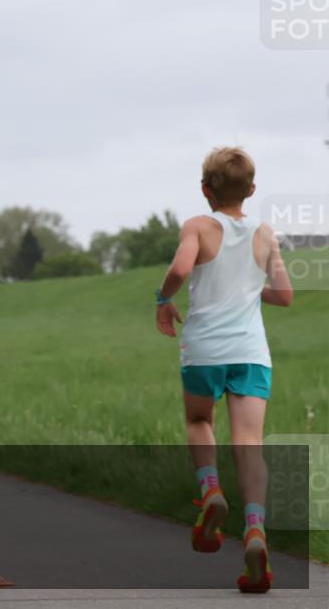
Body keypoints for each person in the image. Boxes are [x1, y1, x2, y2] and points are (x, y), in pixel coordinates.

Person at [156, 147, 292, 594]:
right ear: (251, 191)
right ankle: (255, 529)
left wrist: (162, 300)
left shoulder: (198, 226)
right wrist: (249, 291)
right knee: (249, 441)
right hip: (251, 352)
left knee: (199, 420)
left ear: (204, 190)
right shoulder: (265, 234)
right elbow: (284, 293)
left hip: (205, 349)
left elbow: (180, 268)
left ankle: (211, 490)